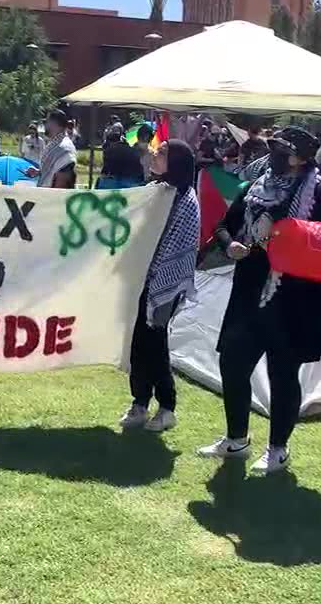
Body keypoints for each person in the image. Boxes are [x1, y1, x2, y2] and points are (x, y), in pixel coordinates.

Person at [198, 127, 321, 474]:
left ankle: (278, 449)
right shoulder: (255, 189)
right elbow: (225, 224)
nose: (273, 157)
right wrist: (229, 244)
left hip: (297, 300)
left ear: (299, 158)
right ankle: (236, 439)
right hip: (250, 290)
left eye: (281, 151)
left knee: (283, 373)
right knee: (233, 363)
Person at [118, 140, 200, 433]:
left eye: (163, 153)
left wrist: (154, 276)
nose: (155, 155)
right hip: (141, 279)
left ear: (176, 162)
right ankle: (139, 402)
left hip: (163, 285)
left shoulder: (185, 201)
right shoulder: (156, 192)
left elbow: (175, 247)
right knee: (137, 343)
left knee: (154, 343)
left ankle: (166, 407)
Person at [35, 109, 78, 188]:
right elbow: (53, 169)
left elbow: (64, 176)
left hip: (55, 196)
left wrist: (54, 196)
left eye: (46, 122)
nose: (45, 125)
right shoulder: (54, 144)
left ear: (53, 123)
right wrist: (39, 172)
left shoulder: (64, 147)